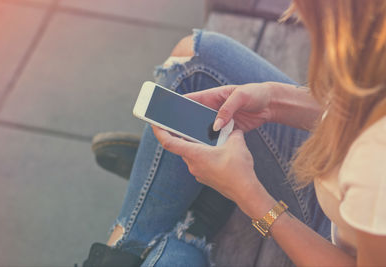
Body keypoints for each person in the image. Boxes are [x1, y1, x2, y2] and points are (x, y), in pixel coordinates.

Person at [83, 0, 386, 266]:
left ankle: (185, 227)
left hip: (334, 240)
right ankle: (172, 225)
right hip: (344, 194)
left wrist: (248, 195)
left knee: (175, 255)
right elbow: (358, 108)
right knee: (194, 62)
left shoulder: (376, 161)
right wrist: (273, 100)